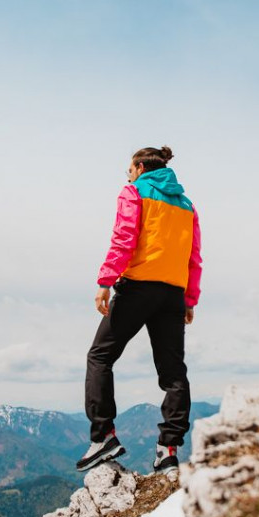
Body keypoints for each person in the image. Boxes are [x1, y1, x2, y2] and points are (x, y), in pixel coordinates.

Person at [77, 146, 202, 475]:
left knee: (100, 356)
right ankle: (169, 450)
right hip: (172, 294)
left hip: (139, 287)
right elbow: (193, 256)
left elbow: (124, 237)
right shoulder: (187, 206)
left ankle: (103, 436)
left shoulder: (134, 192)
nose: (127, 175)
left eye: (129, 170)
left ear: (140, 167)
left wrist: (105, 281)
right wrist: (189, 299)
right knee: (173, 373)